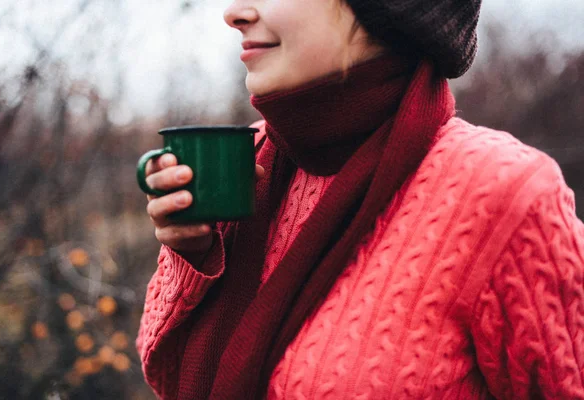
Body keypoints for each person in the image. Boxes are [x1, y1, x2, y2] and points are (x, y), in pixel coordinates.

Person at [136, 0, 584, 399]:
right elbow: (170, 379)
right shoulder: (244, 163)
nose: (234, 13)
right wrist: (192, 256)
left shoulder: (505, 192)